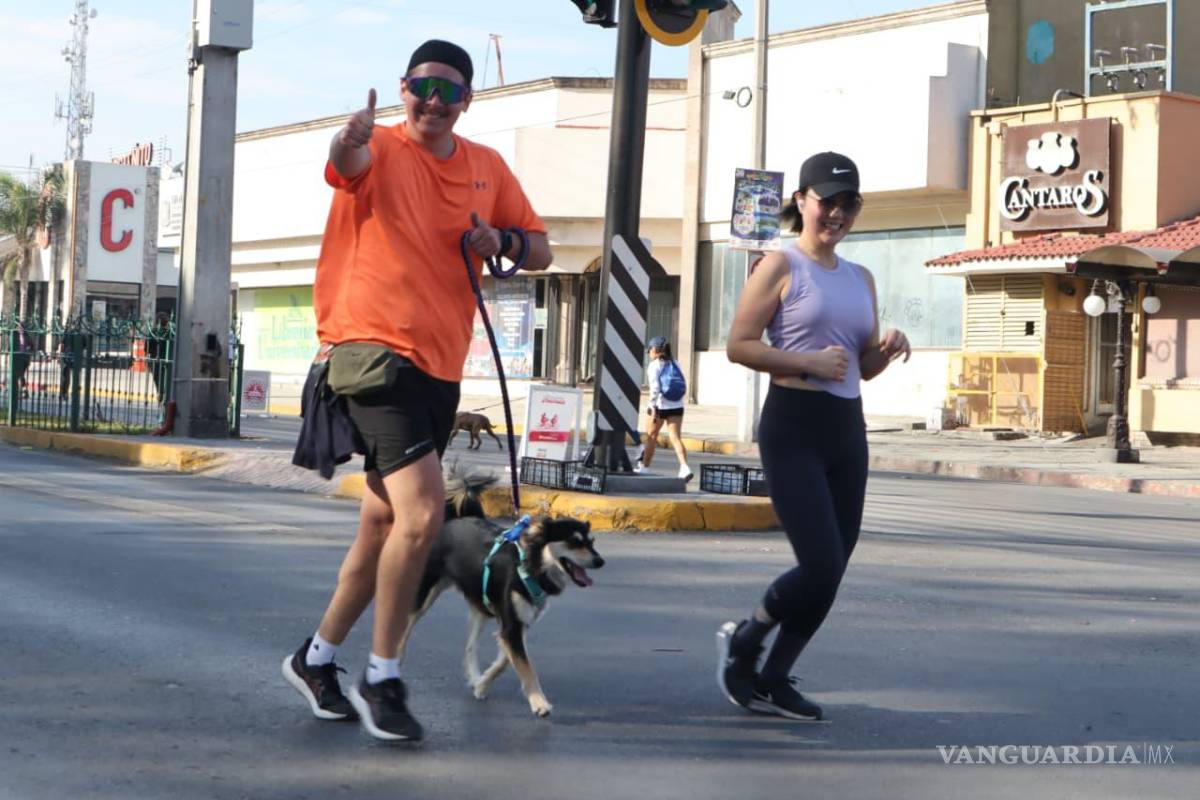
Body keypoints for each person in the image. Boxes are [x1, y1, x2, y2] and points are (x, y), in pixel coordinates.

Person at [282, 39, 552, 743]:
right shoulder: (380, 150)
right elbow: (345, 167)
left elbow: (540, 246)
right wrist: (348, 140)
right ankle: (384, 674)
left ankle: (316, 659)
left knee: (382, 525)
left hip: (438, 366)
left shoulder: (487, 169)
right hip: (370, 353)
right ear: (403, 89)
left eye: (449, 92)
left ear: (468, 101)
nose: (433, 102)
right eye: (422, 87)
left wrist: (504, 241)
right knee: (424, 514)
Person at [716, 152, 910, 720]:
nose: (837, 214)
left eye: (848, 204)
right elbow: (739, 344)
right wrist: (805, 363)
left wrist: (886, 349)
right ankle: (747, 641)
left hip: (847, 431)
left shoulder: (860, 277)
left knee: (835, 566)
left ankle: (774, 678)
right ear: (802, 200)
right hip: (793, 425)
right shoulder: (779, 265)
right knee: (819, 562)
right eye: (827, 201)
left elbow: (859, 366)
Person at [635, 336, 692, 481]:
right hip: (677, 405)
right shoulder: (676, 363)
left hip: (660, 406)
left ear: (654, 350)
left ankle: (645, 468)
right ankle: (685, 467)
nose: (649, 353)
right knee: (675, 437)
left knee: (651, 437)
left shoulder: (654, 366)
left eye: (650, 350)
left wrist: (651, 406)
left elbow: (655, 389)